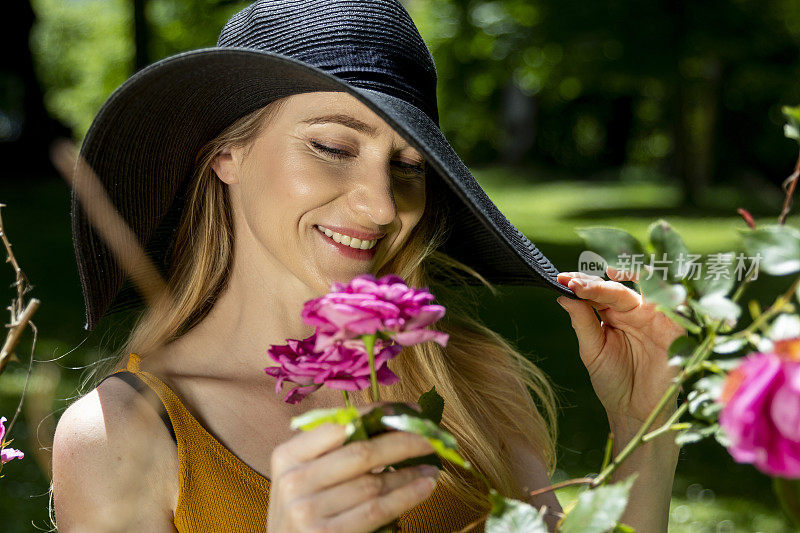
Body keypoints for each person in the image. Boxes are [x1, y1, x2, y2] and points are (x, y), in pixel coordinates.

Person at [51, 1, 683, 531]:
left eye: (408, 165)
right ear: (227, 153)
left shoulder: (469, 385)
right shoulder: (122, 439)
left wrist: (644, 421)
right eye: (332, 146)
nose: (383, 205)